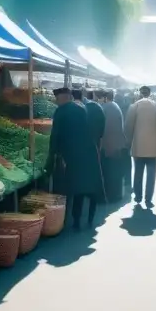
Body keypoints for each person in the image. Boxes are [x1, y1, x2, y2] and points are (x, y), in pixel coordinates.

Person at [48, 87, 104, 230]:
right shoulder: (81, 109)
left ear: (63, 98)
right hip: (89, 152)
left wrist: (51, 159)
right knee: (90, 187)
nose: (56, 101)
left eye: (57, 99)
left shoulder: (60, 111)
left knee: (76, 188)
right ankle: (90, 218)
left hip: (73, 155)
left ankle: (76, 221)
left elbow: (55, 137)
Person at [125, 86, 156, 208]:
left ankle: (138, 196)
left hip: (138, 146)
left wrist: (127, 144)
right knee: (151, 173)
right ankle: (148, 198)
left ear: (140, 93)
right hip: (153, 147)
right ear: (150, 93)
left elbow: (128, 127)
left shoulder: (134, 107)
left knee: (138, 172)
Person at [99, 90, 128, 202]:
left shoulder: (107, 108)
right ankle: (116, 194)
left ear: (105, 98)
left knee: (111, 172)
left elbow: (107, 130)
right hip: (116, 145)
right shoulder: (115, 106)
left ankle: (112, 196)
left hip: (110, 146)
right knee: (115, 172)